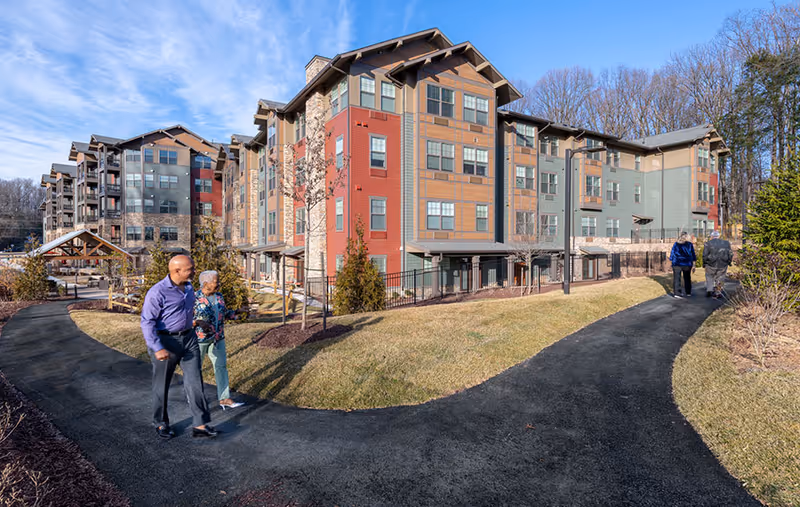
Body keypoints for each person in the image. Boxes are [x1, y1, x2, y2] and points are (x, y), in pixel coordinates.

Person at [140, 255, 218, 439]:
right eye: (190, 268)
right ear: (177, 271)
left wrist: (196, 322)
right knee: (162, 385)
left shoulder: (189, 288)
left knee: (195, 382)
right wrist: (156, 347)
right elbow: (147, 322)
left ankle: (200, 424)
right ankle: (161, 423)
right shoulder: (157, 292)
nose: (194, 271)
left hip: (189, 339)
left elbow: (183, 313)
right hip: (166, 342)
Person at [194, 270, 245, 410]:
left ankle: (224, 398)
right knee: (195, 369)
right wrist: (198, 323)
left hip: (218, 338)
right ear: (205, 283)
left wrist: (236, 313)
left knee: (221, 367)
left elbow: (224, 313)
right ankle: (196, 400)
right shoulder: (193, 298)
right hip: (200, 339)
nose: (219, 284)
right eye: (216, 281)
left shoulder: (219, 296)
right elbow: (185, 319)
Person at [702, 231, 733, 298]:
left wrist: (704, 263)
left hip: (710, 263)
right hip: (723, 263)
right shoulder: (726, 243)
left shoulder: (708, 243)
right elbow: (730, 253)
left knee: (709, 276)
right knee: (721, 277)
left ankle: (709, 289)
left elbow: (705, 255)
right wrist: (729, 262)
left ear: (712, 236)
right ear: (719, 236)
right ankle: (718, 292)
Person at [669, 232, 697, 298]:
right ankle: (688, 292)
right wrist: (693, 264)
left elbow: (672, 253)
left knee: (676, 278)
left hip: (676, 263)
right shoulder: (689, 244)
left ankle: (677, 293)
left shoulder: (676, 244)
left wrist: (672, 260)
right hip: (686, 263)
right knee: (687, 278)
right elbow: (692, 254)